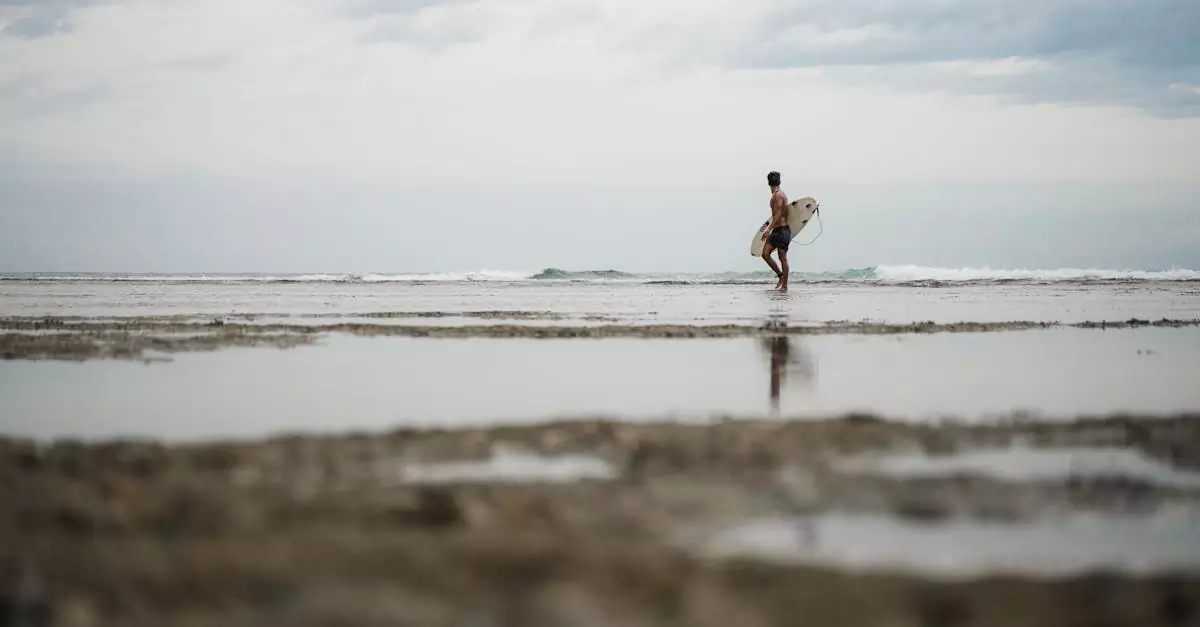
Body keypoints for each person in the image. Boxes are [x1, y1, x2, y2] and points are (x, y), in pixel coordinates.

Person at [759, 170, 790, 290]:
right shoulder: (778, 195)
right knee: (765, 254)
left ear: (768, 183)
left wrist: (768, 229)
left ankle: (785, 286)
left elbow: (778, 214)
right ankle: (781, 276)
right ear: (779, 181)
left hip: (782, 230)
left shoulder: (778, 195)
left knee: (782, 257)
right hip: (778, 230)